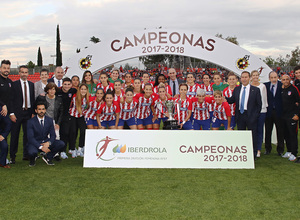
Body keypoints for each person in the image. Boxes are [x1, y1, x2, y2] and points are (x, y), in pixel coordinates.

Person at [226, 71, 262, 159]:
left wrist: (255, 116)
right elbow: (231, 100)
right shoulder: (237, 89)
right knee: (241, 135)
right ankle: (242, 154)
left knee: (252, 135)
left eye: (246, 77)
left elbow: (259, 105)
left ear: (249, 78)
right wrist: (223, 98)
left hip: (251, 116)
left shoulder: (256, 90)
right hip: (240, 115)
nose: (244, 79)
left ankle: (253, 154)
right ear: (240, 79)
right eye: (242, 77)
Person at [9, 65, 35, 164]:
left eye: (26, 72)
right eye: (22, 72)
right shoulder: (14, 84)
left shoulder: (31, 84)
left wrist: (32, 112)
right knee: (15, 135)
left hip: (28, 113)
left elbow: (32, 100)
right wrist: (12, 113)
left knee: (27, 135)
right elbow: (11, 100)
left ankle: (26, 154)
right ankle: (12, 156)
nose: (24, 74)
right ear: (19, 73)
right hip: (17, 113)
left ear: (28, 74)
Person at [27, 102, 65, 166]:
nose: (41, 111)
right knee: (32, 152)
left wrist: (49, 143)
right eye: (39, 109)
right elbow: (30, 138)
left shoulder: (50, 120)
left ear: (45, 110)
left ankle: (48, 157)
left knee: (61, 144)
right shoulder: (30, 122)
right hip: (35, 142)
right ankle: (32, 159)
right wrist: (41, 147)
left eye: (43, 109)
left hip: (46, 141)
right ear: (36, 111)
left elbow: (53, 135)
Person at [280, 75, 300, 162]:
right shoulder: (281, 89)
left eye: (287, 79)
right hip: (283, 116)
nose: (285, 81)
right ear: (281, 81)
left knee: (293, 135)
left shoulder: (294, 89)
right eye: (283, 79)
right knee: (286, 134)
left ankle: (294, 153)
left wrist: (297, 115)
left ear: (290, 80)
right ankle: (288, 151)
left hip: (292, 116)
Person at [264, 71, 284, 155]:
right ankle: (267, 149)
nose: (273, 79)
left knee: (280, 131)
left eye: (275, 77)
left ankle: (280, 150)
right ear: (269, 78)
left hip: (279, 112)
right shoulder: (265, 86)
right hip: (268, 112)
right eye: (272, 78)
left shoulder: (282, 85)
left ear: (278, 77)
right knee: (268, 131)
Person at [56, 78, 77, 159]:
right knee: (64, 133)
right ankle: (62, 151)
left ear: (71, 85)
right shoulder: (58, 91)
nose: (67, 86)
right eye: (65, 84)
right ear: (62, 84)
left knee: (72, 132)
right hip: (61, 115)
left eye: (69, 84)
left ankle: (72, 149)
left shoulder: (73, 91)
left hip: (71, 114)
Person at [69, 84, 90, 158]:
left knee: (83, 131)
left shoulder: (87, 97)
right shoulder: (75, 97)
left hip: (81, 116)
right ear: (79, 90)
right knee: (73, 132)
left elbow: (87, 108)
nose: (83, 91)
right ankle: (72, 149)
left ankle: (80, 148)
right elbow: (78, 108)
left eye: (85, 89)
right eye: (82, 89)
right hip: (73, 116)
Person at [250, 70, 268, 158]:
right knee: (253, 131)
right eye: (254, 75)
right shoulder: (248, 86)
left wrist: (262, 110)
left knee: (259, 131)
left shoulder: (262, 86)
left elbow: (264, 100)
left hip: (261, 112)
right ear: (251, 77)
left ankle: (258, 150)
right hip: (251, 112)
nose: (255, 77)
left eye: (257, 75)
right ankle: (252, 148)